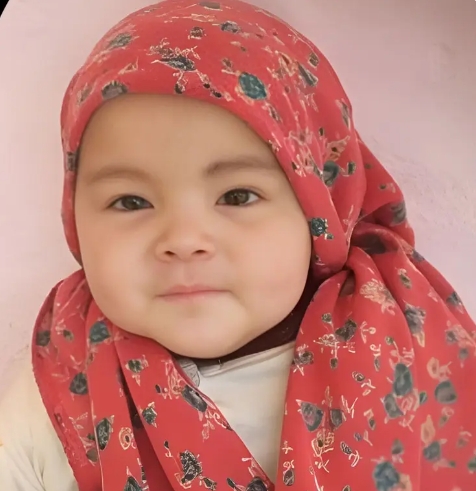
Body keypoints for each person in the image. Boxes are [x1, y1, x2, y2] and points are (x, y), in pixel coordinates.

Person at [0, 0, 475, 489]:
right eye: (130, 202)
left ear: (321, 211)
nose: (184, 241)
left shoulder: (404, 343)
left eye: (237, 196)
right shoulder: (55, 391)